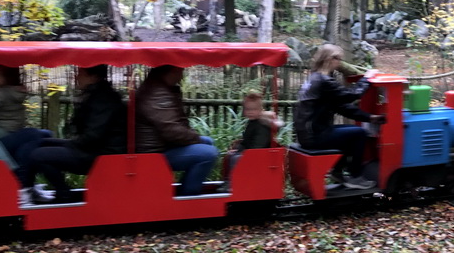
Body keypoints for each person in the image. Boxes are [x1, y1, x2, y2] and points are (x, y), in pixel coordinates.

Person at [27, 65, 127, 204]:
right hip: (93, 148)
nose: (76, 77)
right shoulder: (95, 94)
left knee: (38, 155)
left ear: (93, 77)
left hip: (102, 154)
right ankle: (28, 188)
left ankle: (64, 194)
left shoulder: (104, 99)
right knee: (40, 143)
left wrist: (72, 144)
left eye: (81, 73)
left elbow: (94, 135)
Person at [294, 44, 385, 190]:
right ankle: (355, 176)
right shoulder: (324, 81)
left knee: (350, 131)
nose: (340, 63)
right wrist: (366, 79)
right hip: (314, 136)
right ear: (331, 59)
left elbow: (341, 107)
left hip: (309, 134)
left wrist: (370, 118)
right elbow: (352, 95)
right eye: (339, 59)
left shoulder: (315, 78)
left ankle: (338, 172)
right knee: (359, 133)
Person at [135, 65, 219, 196]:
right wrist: (196, 138)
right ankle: (188, 198)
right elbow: (172, 130)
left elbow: (177, 123)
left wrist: (195, 138)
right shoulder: (156, 94)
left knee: (208, 142)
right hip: (154, 153)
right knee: (209, 153)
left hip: (163, 145)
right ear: (175, 70)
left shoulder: (162, 88)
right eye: (182, 69)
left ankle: (189, 189)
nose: (183, 73)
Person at [226, 92, 283, 173]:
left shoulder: (262, 125)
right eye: (247, 109)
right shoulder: (252, 122)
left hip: (260, 156)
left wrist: (243, 152)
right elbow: (247, 141)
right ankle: (231, 180)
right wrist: (238, 148)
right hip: (251, 152)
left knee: (236, 159)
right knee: (232, 155)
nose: (250, 112)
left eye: (254, 109)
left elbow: (258, 146)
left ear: (260, 110)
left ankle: (234, 182)